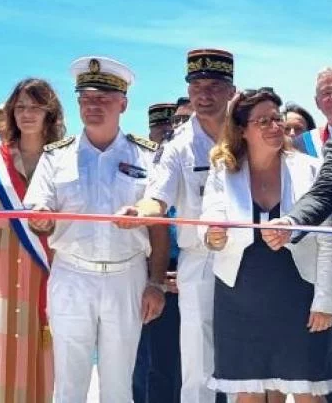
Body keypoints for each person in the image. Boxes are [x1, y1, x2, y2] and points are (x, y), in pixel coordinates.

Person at [24, 56, 167, 402]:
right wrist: (40, 218)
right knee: (69, 383)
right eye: (86, 99)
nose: (93, 106)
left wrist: (156, 283)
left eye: (103, 98)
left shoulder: (146, 156)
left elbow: (159, 227)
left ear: (123, 103)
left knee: (118, 385)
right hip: (72, 275)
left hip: (127, 276)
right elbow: (37, 215)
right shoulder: (55, 156)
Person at [201, 88, 332, 403]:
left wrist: (326, 302)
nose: (275, 127)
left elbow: (329, 241)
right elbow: (209, 218)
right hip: (239, 298)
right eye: (263, 121)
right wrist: (212, 235)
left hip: (301, 298)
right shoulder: (223, 170)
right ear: (242, 130)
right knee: (248, 394)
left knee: (308, 394)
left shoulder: (310, 169)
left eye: (276, 119)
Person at [122, 48, 237, 403]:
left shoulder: (248, 134)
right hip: (198, 259)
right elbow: (158, 197)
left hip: (248, 258)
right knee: (196, 365)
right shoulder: (177, 146)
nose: (205, 94)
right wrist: (138, 212)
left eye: (214, 85)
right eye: (197, 85)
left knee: (245, 360)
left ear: (231, 90)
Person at [0, 79, 65, 402]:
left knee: (44, 351)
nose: (27, 114)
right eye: (20, 107)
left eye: (35, 107)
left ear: (50, 114)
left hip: (48, 271)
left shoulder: (63, 160)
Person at [133, 103, 183, 403]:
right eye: (160, 128)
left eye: (174, 126)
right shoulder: (140, 168)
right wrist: (157, 277)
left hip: (191, 268)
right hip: (150, 272)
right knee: (150, 362)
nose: (167, 132)